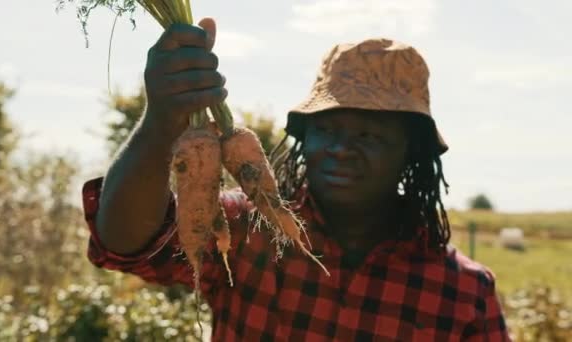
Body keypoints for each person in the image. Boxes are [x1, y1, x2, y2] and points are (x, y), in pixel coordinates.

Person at [82, 18, 510, 341]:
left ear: (410, 154)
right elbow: (124, 244)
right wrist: (161, 121)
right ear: (306, 138)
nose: (341, 148)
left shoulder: (462, 292)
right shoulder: (245, 229)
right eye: (327, 129)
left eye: (368, 135)